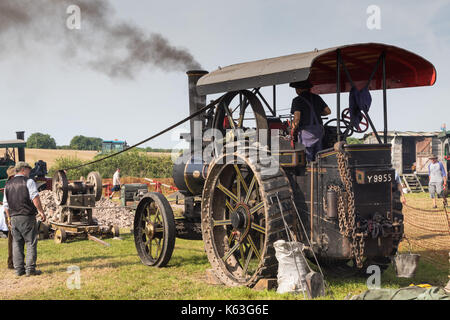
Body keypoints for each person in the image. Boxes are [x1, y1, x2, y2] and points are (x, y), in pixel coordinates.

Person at [3, 162, 46, 276]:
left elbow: (6, 206)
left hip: (13, 218)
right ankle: (30, 269)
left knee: (17, 243)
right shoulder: (29, 182)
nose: (30, 172)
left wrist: (9, 219)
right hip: (26, 216)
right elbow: (35, 198)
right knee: (30, 242)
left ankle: (19, 270)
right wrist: (41, 211)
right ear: (23, 169)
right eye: (28, 169)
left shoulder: (8, 184)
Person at [290, 80, 331, 162]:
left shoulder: (297, 100)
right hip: (318, 131)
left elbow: (297, 119)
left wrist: (292, 131)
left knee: (307, 156)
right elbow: (328, 111)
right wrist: (317, 113)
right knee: (318, 154)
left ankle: (309, 170)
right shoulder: (317, 97)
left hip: (306, 132)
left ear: (299, 89)